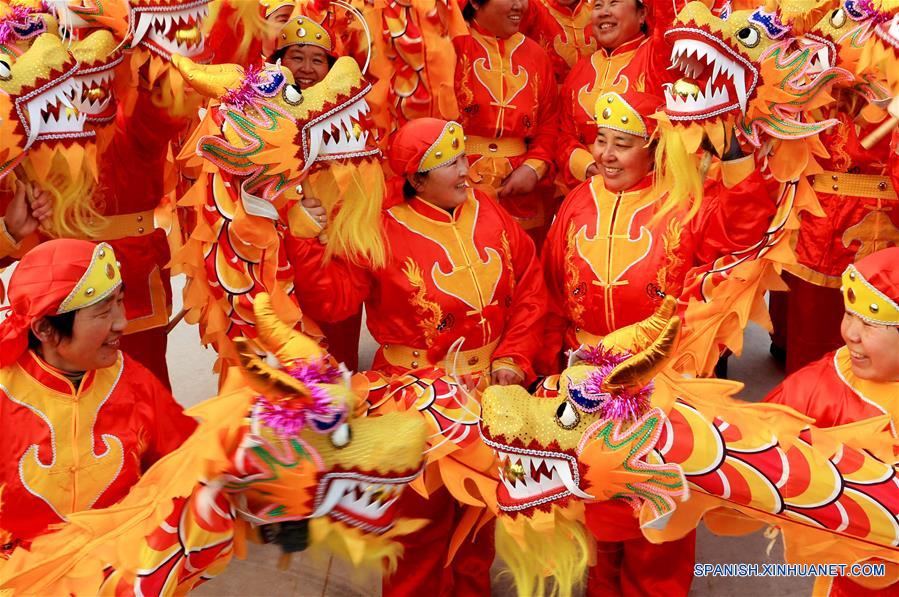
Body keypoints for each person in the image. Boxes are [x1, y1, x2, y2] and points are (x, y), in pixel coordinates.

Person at [287, 117, 548, 595]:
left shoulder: (488, 211)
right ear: (416, 178)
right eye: (450, 163)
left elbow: (531, 289)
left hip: (491, 395)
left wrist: (513, 360)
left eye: (464, 157)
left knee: (477, 522)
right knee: (418, 531)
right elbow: (333, 303)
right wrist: (304, 239)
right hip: (416, 403)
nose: (466, 170)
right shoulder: (379, 231)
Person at [541, 89, 776, 595]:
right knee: (595, 506)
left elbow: (742, 236)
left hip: (660, 383)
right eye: (600, 140)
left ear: (653, 149)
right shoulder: (577, 203)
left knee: (657, 517)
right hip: (585, 384)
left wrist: (736, 164)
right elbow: (549, 292)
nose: (605, 154)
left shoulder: (686, 201)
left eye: (622, 144)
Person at [0, 239, 196, 559]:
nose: (122, 322)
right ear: (45, 329)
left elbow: (185, 463)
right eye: (104, 311)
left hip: (115, 571)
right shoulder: (5, 395)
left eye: (120, 302)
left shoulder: (133, 383)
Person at [765, 246, 899, 596]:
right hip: (853, 575)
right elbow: (754, 439)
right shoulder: (825, 382)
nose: (849, 334)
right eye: (849, 315)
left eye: (869, 323)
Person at [454, 0, 560, 246]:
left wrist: (533, 168)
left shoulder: (536, 55)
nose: (519, 6)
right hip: (459, 181)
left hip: (521, 186)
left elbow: (549, 123)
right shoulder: (453, 47)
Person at [556, 0, 675, 189]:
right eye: (597, 5)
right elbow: (563, 133)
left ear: (642, 14)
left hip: (648, 188)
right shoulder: (580, 69)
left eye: (614, 3)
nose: (604, 12)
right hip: (588, 189)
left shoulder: (658, 56)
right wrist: (586, 165)